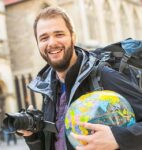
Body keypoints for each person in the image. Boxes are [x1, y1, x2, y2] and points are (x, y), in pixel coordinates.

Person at [21, 6, 142, 150]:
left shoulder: (102, 75)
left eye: (59, 34)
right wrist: (32, 137)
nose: (52, 43)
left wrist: (118, 138)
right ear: (38, 44)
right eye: (44, 38)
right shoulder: (49, 88)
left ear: (73, 37)